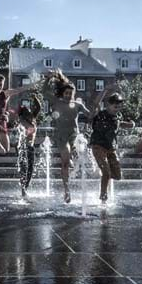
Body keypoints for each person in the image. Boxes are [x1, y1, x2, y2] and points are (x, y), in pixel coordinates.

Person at [42, 69, 91, 203]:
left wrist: (95, 114)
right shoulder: (56, 101)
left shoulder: (77, 105)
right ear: (63, 93)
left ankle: (71, 163)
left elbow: (90, 115)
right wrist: (48, 78)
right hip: (61, 136)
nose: (69, 95)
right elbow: (44, 92)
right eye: (67, 93)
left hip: (74, 136)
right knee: (65, 162)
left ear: (74, 94)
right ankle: (66, 191)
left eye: (71, 93)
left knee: (73, 158)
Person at [89, 91, 135, 203]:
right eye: (115, 106)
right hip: (98, 146)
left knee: (118, 176)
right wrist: (105, 90)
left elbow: (118, 123)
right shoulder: (100, 114)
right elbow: (95, 104)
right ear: (108, 105)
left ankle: (104, 180)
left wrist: (130, 124)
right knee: (106, 172)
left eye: (119, 107)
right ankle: (103, 198)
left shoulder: (117, 116)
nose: (117, 109)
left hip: (111, 148)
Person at [0, 74, 36, 154]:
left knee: (6, 150)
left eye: (1, 85)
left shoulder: (5, 94)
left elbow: (20, 89)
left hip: (1, 122)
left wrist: (36, 82)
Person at [17, 94, 42, 198]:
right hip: (22, 147)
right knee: (24, 168)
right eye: (26, 110)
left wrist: (34, 96)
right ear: (24, 114)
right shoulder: (22, 121)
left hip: (30, 147)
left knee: (30, 168)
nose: (29, 111)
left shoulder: (33, 118)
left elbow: (38, 107)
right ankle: (23, 189)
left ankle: (25, 188)